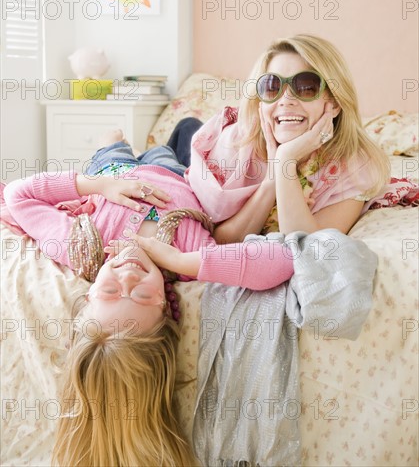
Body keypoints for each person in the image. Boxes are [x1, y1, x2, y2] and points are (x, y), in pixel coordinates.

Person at [2, 129, 294, 467]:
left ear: (89, 294)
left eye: (109, 291)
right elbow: (281, 262)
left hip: (110, 173)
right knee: (182, 138)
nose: (126, 275)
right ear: (165, 306)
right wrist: (177, 260)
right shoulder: (189, 257)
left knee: (113, 148)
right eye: (140, 293)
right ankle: (166, 142)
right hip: (172, 176)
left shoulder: (80, 248)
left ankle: (115, 142)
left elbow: (19, 196)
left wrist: (97, 186)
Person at [185, 34, 390, 243]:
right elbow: (218, 240)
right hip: (187, 155)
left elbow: (304, 248)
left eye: (306, 87)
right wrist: (271, 182)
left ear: (335, 103)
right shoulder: (235, 141)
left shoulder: (357, 168)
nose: (286, 100)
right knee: (170, 149)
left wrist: (284, 160)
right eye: (272, 87)